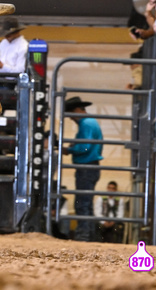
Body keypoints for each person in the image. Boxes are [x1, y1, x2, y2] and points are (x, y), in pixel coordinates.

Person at [63, 96, 103, 242]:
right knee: (86, 202)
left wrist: (68, 150)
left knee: (82, 203)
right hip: (91, 166)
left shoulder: (86, 124)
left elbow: (84, 146)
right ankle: (89, 235)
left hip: (86, 166)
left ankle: (83, 236)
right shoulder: (90, 123)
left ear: (78, 110)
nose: (71, 118)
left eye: (71, 114)